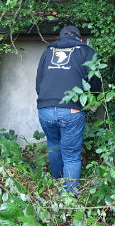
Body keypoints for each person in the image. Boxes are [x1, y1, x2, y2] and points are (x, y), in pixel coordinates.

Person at [35, 25, 101, 194]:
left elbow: (39, 82)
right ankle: (69, 197)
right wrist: (93, 100)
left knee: (54, 147)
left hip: (45, 109)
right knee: (71, 155)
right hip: (71, 110)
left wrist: (47, 102)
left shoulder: (48, 52)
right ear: (78, 38)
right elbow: (95, 79)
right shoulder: (85, 51)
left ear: (61, 37)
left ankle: (57, 186)